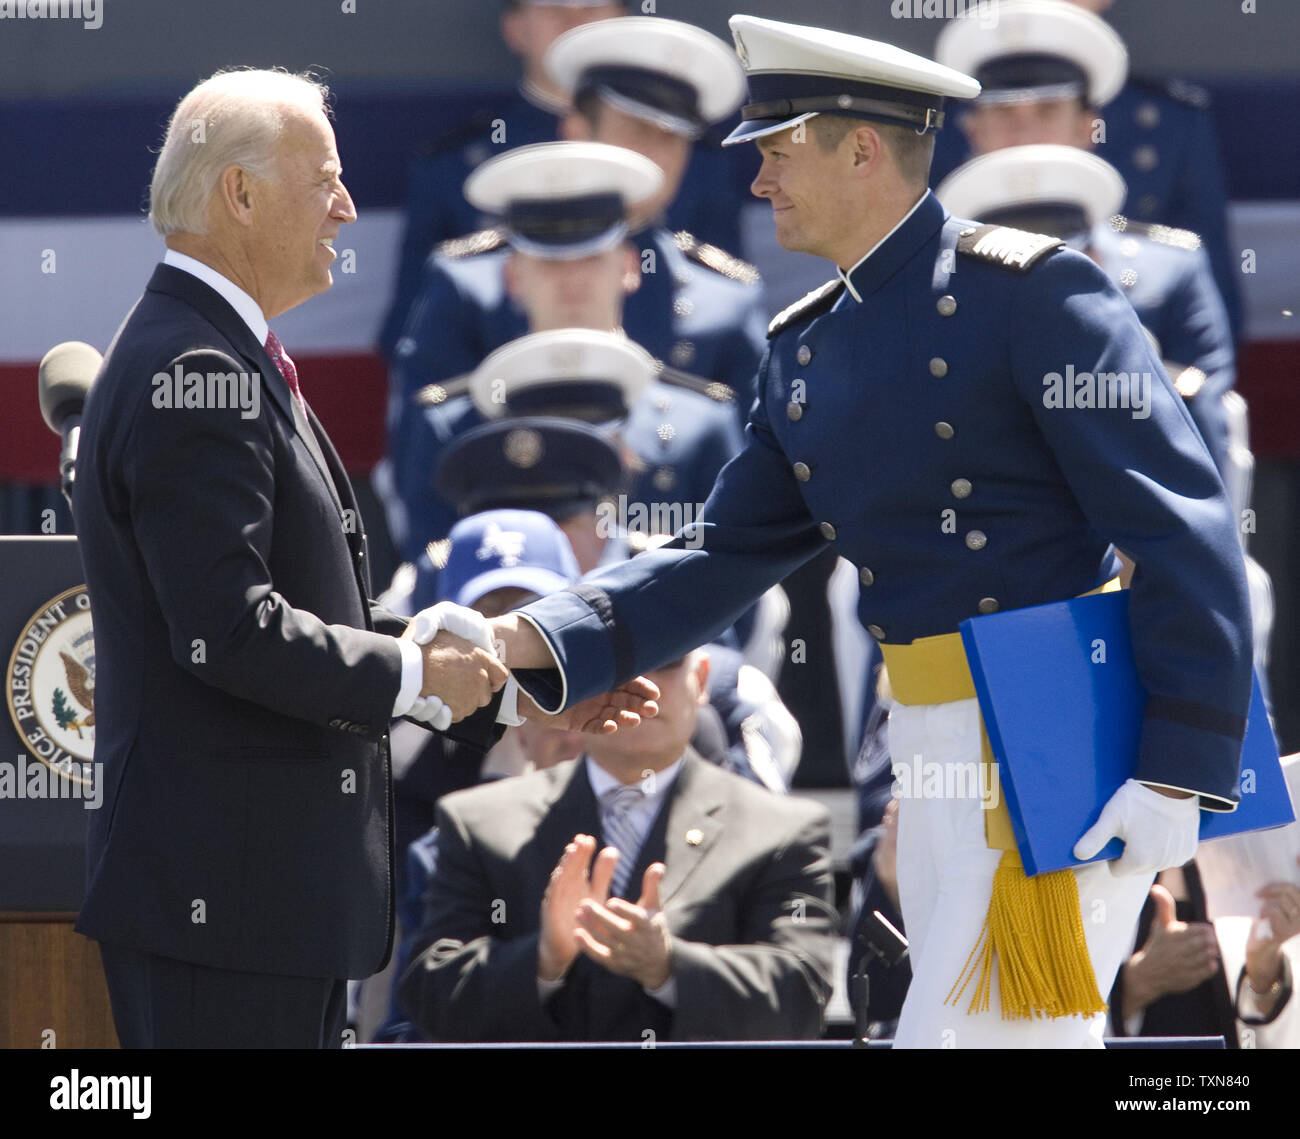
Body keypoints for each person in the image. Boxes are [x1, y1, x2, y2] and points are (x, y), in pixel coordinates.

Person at [488, 15, 1253, 1049]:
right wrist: (527, 640)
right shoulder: (806, 345)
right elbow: (724, 553)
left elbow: (1180, 529)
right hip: (927, 747)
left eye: (776, 150)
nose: (757, 182)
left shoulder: (1035, 293)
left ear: (860, 146)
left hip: (1048, 741)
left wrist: (1178, 767)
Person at [70, 69, 650, 1049]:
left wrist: (519, 692)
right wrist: (425, 668)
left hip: (260, 904)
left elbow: (304, 619)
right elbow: (228, 632)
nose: (346, 207)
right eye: (324, 181)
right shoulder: (197, 368)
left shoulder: (219, 351)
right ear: (238, 193)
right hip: (227, 904)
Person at [398, 645, 837, 1041]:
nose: (641, 683)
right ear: (576, 684)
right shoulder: (479, 822)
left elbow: (802, 1002)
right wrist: (544, 960)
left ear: (700, 679)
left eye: (665, 660)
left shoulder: (780, 830)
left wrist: (669, 967)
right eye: (617, 665)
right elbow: (429, 1000)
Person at [380, 143, 750, 562]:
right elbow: (430, 579)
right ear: (513, 276)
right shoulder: (451, 426)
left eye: (591, 257)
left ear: (629, 268)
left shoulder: (700, 420)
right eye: (549, 261)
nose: (572, 280)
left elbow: (734, 583)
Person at [930, 0, 1241, 337]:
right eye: (1003, 112)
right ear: (972, 128)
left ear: (1087, 127)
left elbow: (1205, 334)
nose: (1025, 134)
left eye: (1048, 111)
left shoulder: (1168, 123)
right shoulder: (931, 132)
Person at [934, 144, 1234, 479]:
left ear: (1093, 259)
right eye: (1013, 274)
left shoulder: (1171, 268)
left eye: (1057, 267)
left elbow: (1195, 432)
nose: (1034, 288)